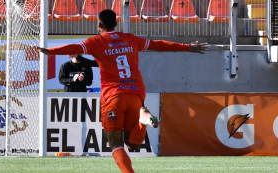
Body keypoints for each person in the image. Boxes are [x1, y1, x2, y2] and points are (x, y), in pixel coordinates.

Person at [36, 9, 207, 173]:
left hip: (114, 96)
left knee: (116, 144)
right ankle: (143, 118)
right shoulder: (130, 39)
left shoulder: (96, 42)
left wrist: (50, 51)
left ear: (99, 25)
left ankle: (139, 133)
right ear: (116, 23)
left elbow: (73, 47)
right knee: (133, 145)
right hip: (135, 94)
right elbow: (157, 44)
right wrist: (186, 47)